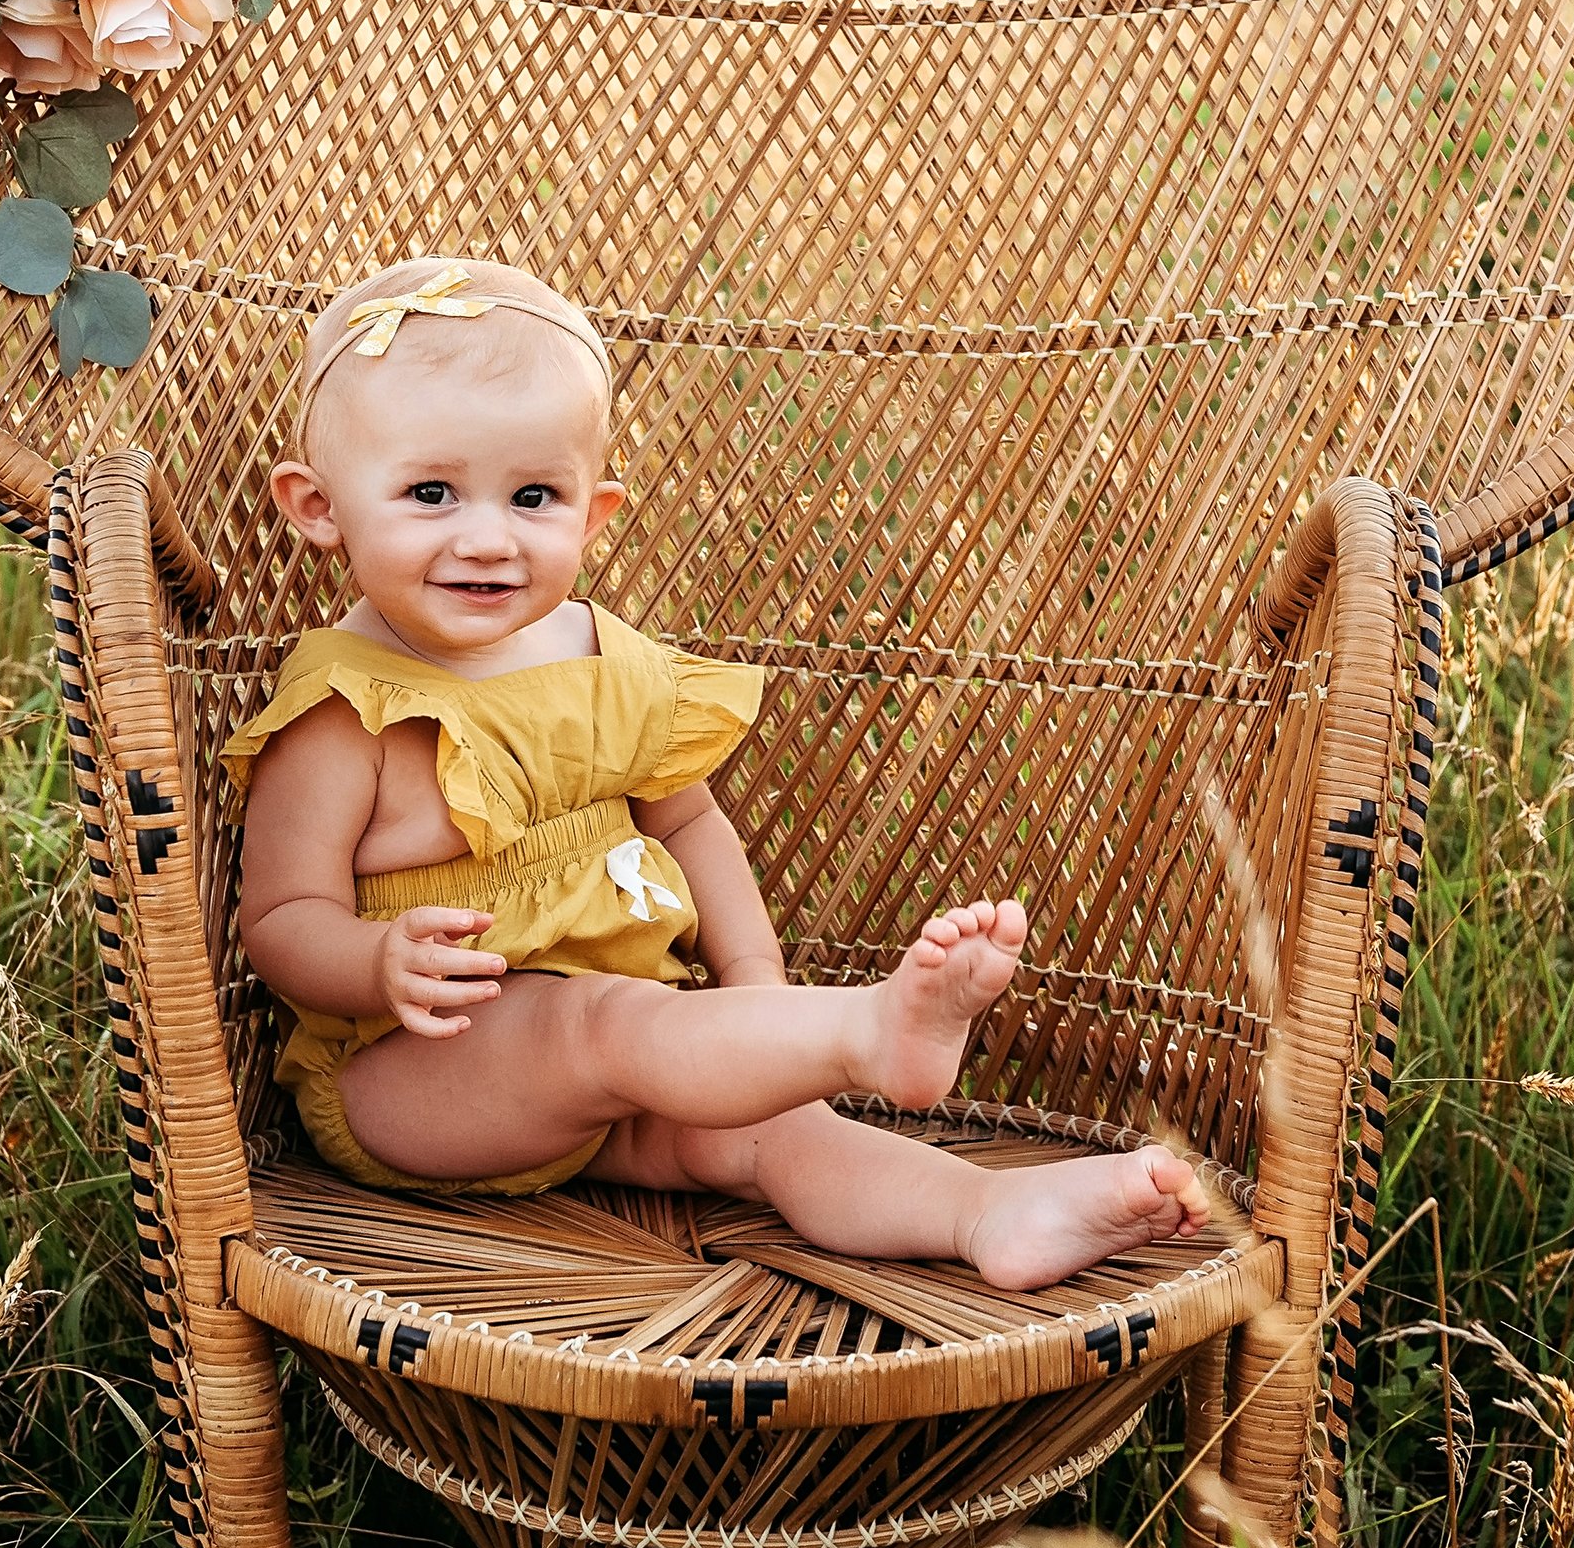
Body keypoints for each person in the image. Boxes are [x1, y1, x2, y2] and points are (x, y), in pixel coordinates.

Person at [228, 257, 1210, 1288]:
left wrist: (751, 991)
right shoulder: (346, 709)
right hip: (412, 1079)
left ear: (594, 511)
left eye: (533, 496)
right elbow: (283, 918)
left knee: (774, 1130)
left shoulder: (608, 660)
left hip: (625, 1067)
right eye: (431, 492)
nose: (488, 536)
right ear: (318, 505)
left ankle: (992, 1213)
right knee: (596, 1022)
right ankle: (868, 1028)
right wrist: (380, 958)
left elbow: (691, 829)